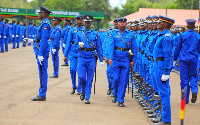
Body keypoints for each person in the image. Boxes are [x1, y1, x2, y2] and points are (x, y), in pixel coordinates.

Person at [108, 17, 137, 107]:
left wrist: (133, 61)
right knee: (115, 78)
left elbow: (134, 48)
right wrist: (109, 58)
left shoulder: (131, 34)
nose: (122, 24)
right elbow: (110, 46)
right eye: (120, 22)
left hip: (126, 60)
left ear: (126, 24)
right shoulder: (113, 34)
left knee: (123, 80)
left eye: (124, 23)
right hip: (116, 59)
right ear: (118, 23)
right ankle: (115, 93)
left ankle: (121, 100)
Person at [76, 15, 104, 104]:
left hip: (91, 57)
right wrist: (79, 46)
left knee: (90, 78)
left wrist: (101, 59)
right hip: (82, 57)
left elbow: (99, 47)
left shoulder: (95, 33)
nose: (87, 23)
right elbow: (75, 45)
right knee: (81, 77)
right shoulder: (79, 33)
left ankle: (87, 97)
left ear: (91, 23)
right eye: (86, 22)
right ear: (84, 22)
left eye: (89, 22)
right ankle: (83, 91)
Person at [153, 15, 175, 125]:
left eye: (160, 22)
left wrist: (166, 71)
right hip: (158, 64)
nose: (157, 24)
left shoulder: (167, 37)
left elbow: (168, 55)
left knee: (164, 93)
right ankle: (162, 117)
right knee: (162, 93)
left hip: (162, 66)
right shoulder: (161, 35)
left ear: (165, 24)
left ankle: (166, 121)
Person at [174, 19, 200, 104]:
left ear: (187, 26)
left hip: (184, 59)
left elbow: (178, 48)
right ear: (194, 26)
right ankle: (195, 90)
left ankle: (185, 99)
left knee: (184, 79)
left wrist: (174, 58)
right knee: (193, 76)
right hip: (194, 59)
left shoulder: (182, 35)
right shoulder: (198, 36)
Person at [31, 6, 52, 101]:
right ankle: (42, 92)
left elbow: (43, 40)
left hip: (42, 51)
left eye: (40, 13)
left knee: (42, 72)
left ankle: (42, 94)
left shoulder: (46, 24)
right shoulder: (43, 23)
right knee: (41, 71)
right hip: (40, 50)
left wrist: (40, 54)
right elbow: (40, 38)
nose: (39, 14)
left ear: (44, 14)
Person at [63, 15, 84, 94]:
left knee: (80, 71)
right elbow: (68, 42)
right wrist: (65, 55)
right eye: (78, 20)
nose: (79, 21)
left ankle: (79, 88)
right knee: (72, 69)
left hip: (81, 53)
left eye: (80, 20)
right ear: (76, 21)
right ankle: (73, 86)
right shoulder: (72, 30)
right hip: (72, 52)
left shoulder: (85, 30)